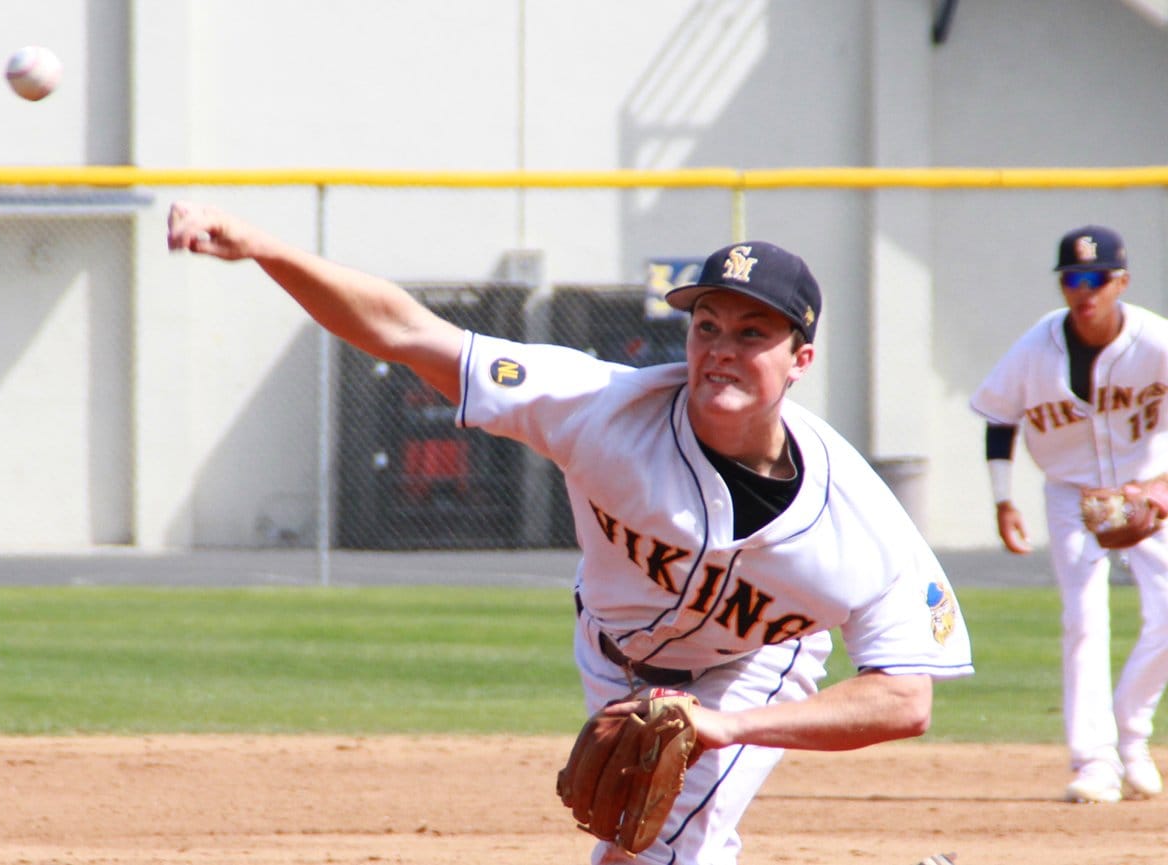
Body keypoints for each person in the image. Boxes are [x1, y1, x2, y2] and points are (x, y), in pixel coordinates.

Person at [167, 202, 973, 865]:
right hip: (610, 652)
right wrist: (268, 249)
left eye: (751, 334)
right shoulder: (601, 408)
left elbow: (905, 699)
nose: (721, 351)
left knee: (653, 853)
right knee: (634, 846)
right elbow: (406, 331)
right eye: (708, 326)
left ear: (800, 358)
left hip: (750, 667)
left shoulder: (862, 525)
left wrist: (724, 726)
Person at [971, 224, 1168, 804]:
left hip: (1145, 488)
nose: (1084, 290)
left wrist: (1163, 485)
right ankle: (1095, 761)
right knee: (1083, 618)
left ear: (1121, 282)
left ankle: (1131, 735)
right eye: (1073, 278)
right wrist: (1003, 499)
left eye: (1096, 278)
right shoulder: (1038, 345)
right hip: (1072, 494)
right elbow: (1000, 416)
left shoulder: (1155, 340)